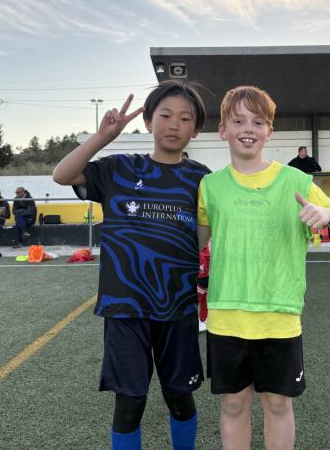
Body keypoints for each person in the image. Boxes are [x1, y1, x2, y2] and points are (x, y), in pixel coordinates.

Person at [53, 80, 210, 450]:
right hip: (125, 306)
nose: (174, 124)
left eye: (185, 118)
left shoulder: (203, 178)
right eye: (165, 115)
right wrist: (102, 138)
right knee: (129, 402)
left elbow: (204, 237)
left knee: (180, 397)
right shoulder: (119, 169)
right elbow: (62, 175)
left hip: (178, 306)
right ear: (149, 122)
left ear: (195, 129)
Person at [197, 86, 330, 449]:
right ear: (222, 129)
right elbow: (195, 243)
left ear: (270, 131)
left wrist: (326, 213)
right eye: (238, 121)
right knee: (234, 404)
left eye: (258, 121)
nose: (247, 129)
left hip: (279, 315)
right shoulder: (210, 186)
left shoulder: (296, 181)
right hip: (226, 315)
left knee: (278, 404)